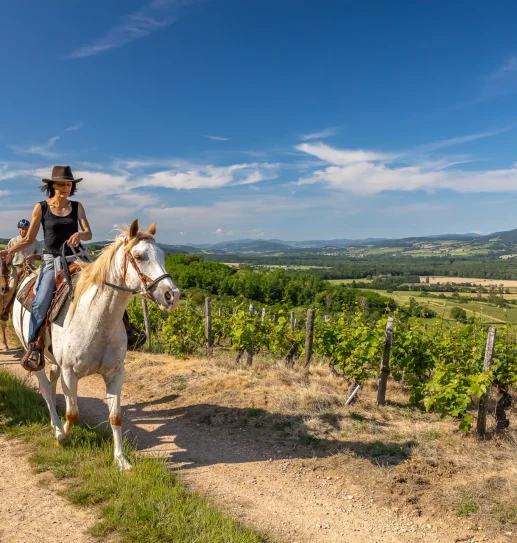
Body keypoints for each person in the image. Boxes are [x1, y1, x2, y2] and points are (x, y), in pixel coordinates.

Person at [0, 165, 92, 370]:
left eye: (69, 184)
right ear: (52, 185)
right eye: (62, 184)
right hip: (52, 260)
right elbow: (28, 239)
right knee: (41, 301)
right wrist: (9, 252)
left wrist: (80, 235)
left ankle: (129, 330)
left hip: (76, 257)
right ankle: (34, 346)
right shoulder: (40, 208)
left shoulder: (77, 207)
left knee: (105, 282)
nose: (66, 187)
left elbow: (89, 233)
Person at [0, 219, 42, 321]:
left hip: (31, 268)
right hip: (17, 268)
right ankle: (4, 309)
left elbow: (42, 255)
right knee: (11, 286)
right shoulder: (13, 241)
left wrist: (35, 256)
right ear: (19, 229)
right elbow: (7, 256)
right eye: (22, 228)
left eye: (26, 228)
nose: (24, 230)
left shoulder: (35, 242)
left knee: (41, 283)